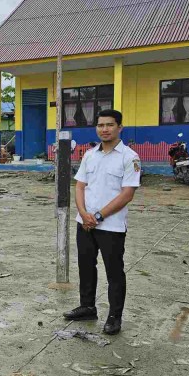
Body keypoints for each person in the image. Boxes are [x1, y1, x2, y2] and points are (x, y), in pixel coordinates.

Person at [63, 110, 140, 336]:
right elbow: (79, 186)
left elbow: (127, 194)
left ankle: (114, 316)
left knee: (114, 272)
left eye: (109, 125)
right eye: (100, 125)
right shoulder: (90, 155)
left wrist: (97, 216)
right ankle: (87, 307)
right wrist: (83, 213)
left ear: (120, 127)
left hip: (111, 226)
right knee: (86, 267)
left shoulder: (129, 157)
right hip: (85, 223)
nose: (104, 129)